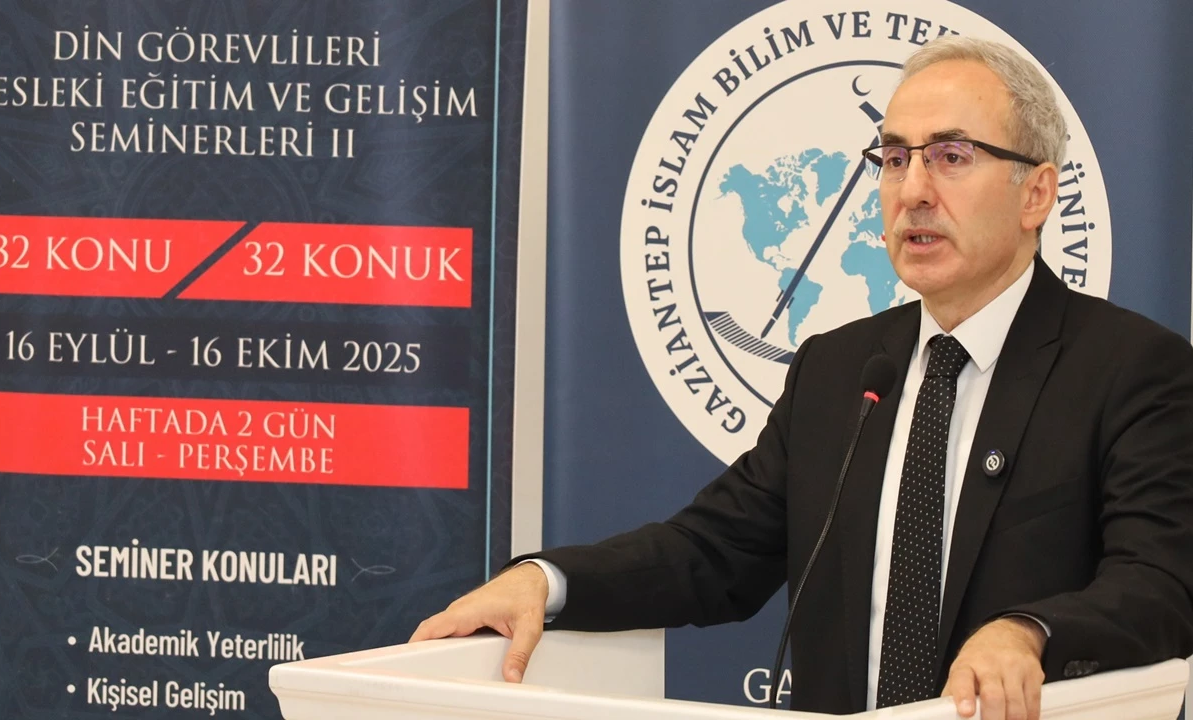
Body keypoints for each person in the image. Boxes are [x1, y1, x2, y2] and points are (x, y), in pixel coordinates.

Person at [411, 35, 1193, 719]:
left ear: (1037, 194)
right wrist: (546, 581)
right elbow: (712, 551)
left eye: (951, 157)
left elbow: (1161, 583)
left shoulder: (1132, 370)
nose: (912, 191)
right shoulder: (840, 370)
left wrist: (1030, 632)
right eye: (894, 159)